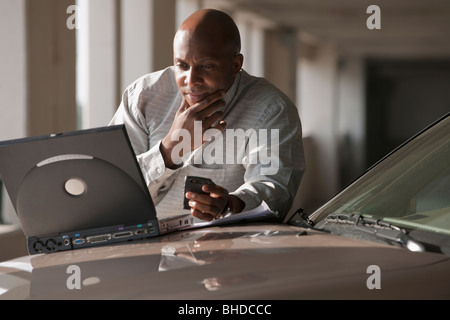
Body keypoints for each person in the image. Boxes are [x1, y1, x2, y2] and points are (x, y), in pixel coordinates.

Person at [110, 9, 305, 222]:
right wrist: (170, 149)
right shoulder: (143, 97)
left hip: (225, 248)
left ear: (235, 65)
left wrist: (231, 204)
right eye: (182, 66)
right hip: (142, 245)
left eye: (206, 66)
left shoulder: (272, 109)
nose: (191, 79)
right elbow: (111, 186)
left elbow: (275, 189)